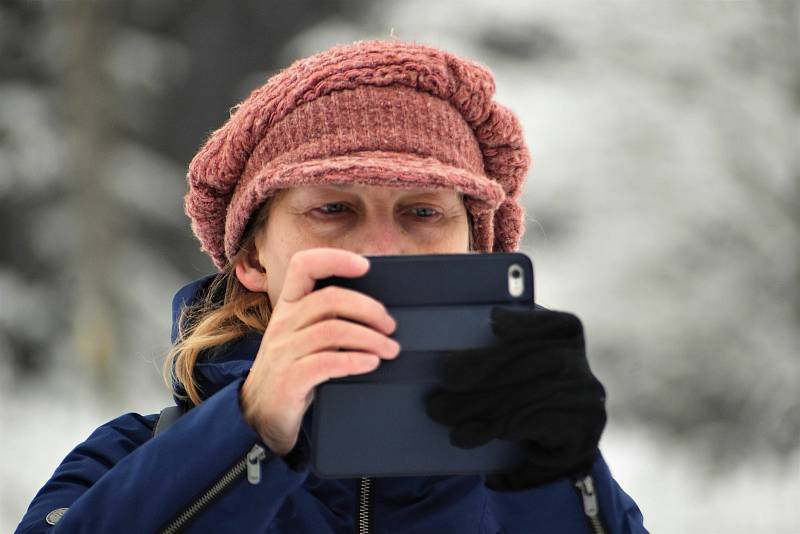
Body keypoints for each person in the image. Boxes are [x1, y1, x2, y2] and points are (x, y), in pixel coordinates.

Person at [15, 40, 647, 533]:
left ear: (476, 250)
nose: (381, 248)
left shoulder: (547, 476)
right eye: (333, 209)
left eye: (423, 212)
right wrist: (246, 431)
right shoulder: (126, 460)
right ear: (253, 259)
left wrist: (557, 479)